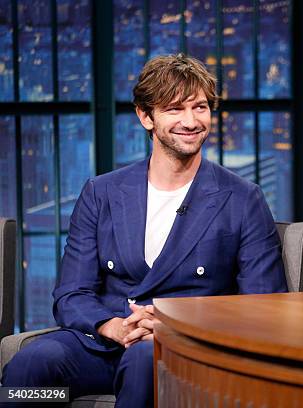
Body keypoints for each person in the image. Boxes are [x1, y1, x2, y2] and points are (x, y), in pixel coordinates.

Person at [1, 54, 287, 407]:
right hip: (105, 345)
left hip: (188, 350)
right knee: (33, 363)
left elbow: (264, 307)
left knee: (144, 359)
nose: (191, 121)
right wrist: (113, 326)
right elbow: (71, 294)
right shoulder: (102, 193)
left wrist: (174, 324)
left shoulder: (243, 198)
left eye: (200, 107)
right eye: (174, 109)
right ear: (145, 116)